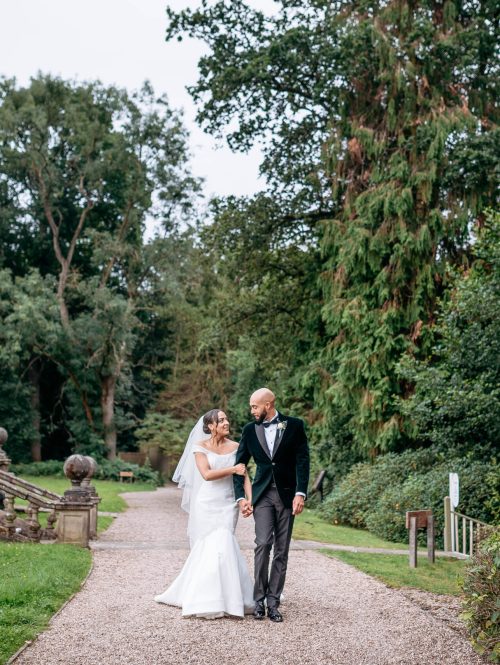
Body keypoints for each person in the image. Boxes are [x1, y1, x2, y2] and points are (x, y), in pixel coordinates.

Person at [154, 409, 254, 619]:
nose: (227, 422)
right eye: (222, 420)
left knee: (225, 542)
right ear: (211, 426)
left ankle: (232, 598)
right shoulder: (199, 447)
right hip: (207, 502)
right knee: (209, 546)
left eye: (227, 418)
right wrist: (232, 470)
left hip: (228, 503)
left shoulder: (236, 446)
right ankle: (206, 598)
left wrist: (248, 500)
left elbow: (244, 475)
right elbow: (207, 474)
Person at [234, 388, 310, 623]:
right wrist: (241, 498)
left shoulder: (294, 425)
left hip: (288, 496)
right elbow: (239, 466)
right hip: (262, 495)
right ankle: (258, 601)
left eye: (255, 406)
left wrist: (300, 493)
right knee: (263, 544)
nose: (252, 410)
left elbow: (302, 460)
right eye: (251, 407)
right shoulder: (249, 430)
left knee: (281, 549)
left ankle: (273, 602)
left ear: (268, 404)